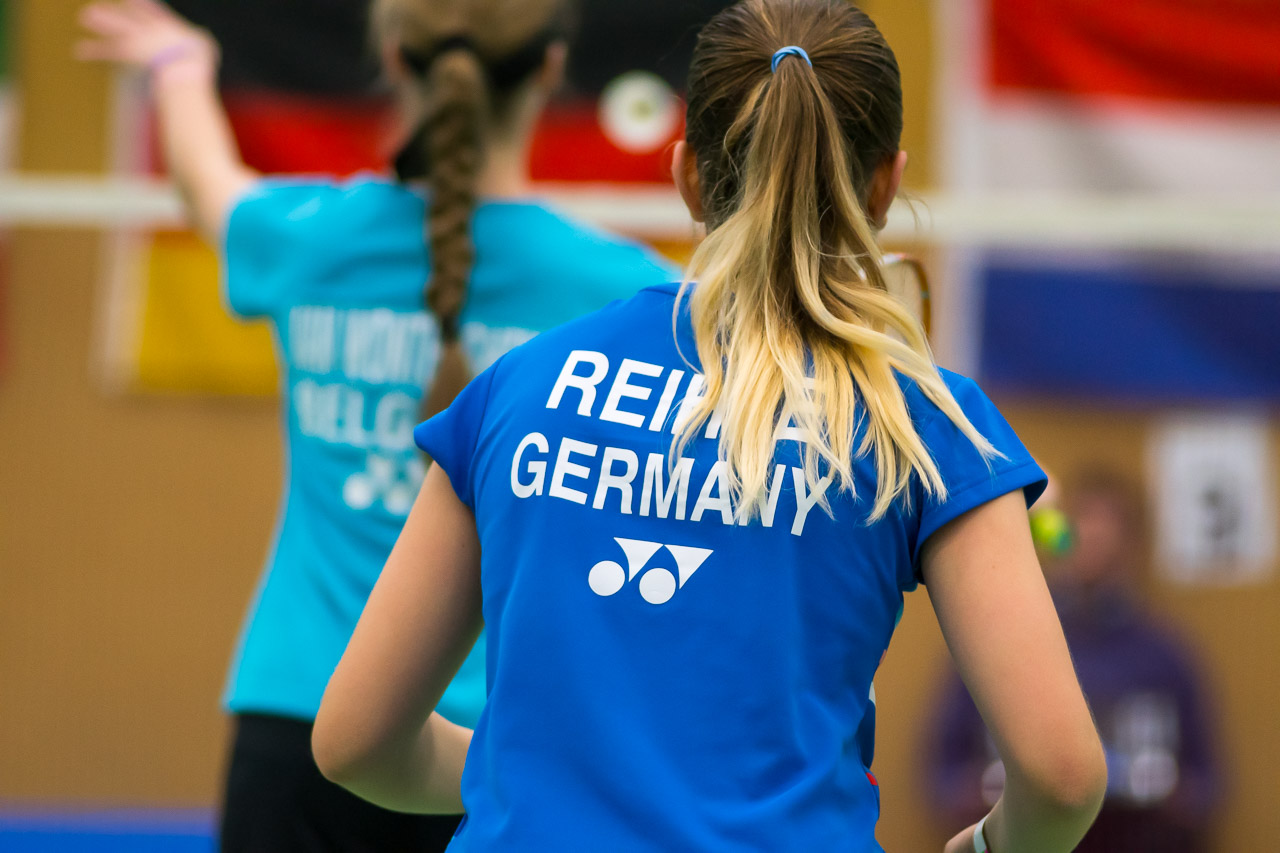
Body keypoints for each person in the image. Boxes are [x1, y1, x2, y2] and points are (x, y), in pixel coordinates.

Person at [313, 1, 1109, 850]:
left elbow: (354, 739)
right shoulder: (925, 425)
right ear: (887, 183)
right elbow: (1061, 777)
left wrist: (532, 775)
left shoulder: (518, 385)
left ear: (687, 174)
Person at [77, 0, 677, 849]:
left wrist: (182, 70)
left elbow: (207, 180)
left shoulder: (311, 240)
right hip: (507, 749)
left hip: (302, 727)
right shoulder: (619, 295)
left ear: (394, 58)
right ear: (550, 68)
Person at [926, 471, 1222, 853]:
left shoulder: (1165, 655)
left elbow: (1206, 784)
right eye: (1083, 520)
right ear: (1057, 534)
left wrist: (1168, 792)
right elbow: (943, 775)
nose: (1094, 536)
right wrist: (982, 792)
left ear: (1132, 545)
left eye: (1109, 525)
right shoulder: (1002, 641)